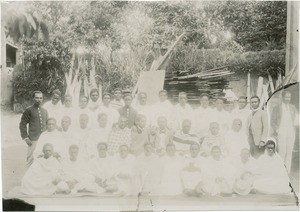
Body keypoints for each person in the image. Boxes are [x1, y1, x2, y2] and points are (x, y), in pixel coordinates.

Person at [271, 90, 298, 173]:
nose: (287, 99)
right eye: (286, 97)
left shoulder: (292, 107)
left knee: (289, 152)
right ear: (282, 97)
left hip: (291, 131)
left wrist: (294, 129)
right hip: (281, 130)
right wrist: (277, 129)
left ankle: (287, 172)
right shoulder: (277, 108)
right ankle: (280, 171)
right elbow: (272, 120)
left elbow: (296, 120)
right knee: (282, 152)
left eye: (289, 97)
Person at [19, 91, 48, 167]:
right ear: (33, 98)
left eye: (40, 98)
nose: (39, 100)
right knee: (30, 160)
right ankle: (27, 178)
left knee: (43, 159)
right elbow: (22, 124)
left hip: (44, 139)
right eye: (37, 98)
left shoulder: (45, 111)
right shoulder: (29, 110)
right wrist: (25, 137)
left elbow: (47, 124)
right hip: (33, 139)